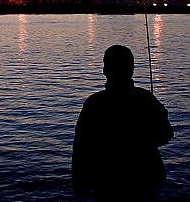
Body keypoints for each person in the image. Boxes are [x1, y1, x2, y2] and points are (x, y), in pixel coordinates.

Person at [72, 45, 173, 202]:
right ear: (132, 69)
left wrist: (79, 182)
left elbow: (81, 146)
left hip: (107, 181)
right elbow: (166, 135)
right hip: (144, 180)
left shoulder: (94, 103)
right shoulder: (146, 99)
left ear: (105, 70)